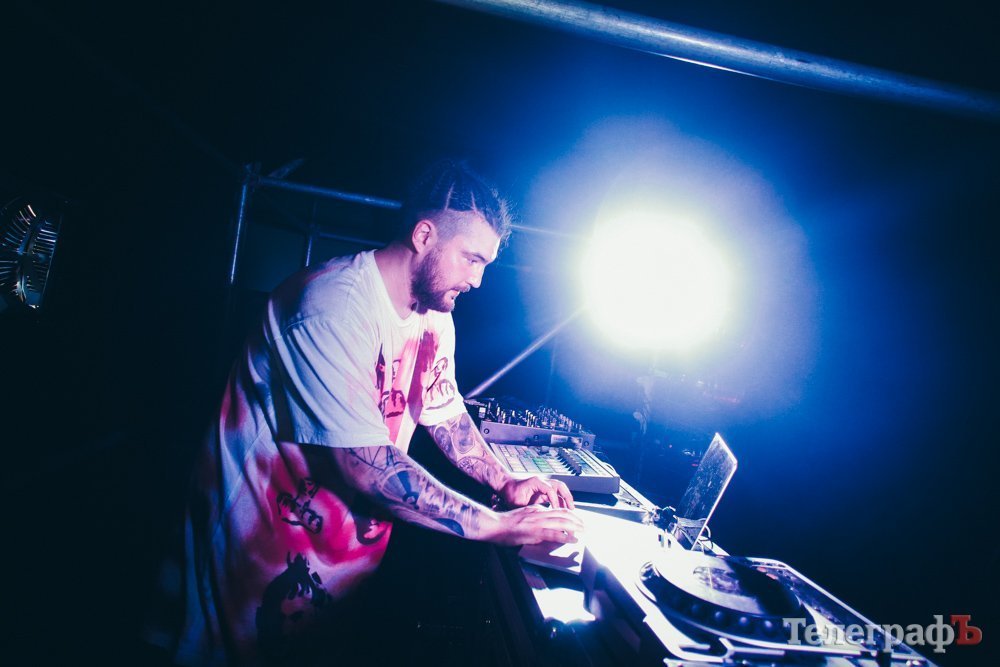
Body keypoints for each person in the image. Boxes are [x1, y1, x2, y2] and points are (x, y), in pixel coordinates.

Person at [144, 160, 583, 666]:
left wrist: (506, 481)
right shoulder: (331, 305)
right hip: (245, 574)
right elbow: (365, 464)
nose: (478, 280)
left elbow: (444, 411)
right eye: (471, 259)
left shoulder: (434, 316)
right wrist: (497, 526)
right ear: (424, 235)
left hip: (329, 586)